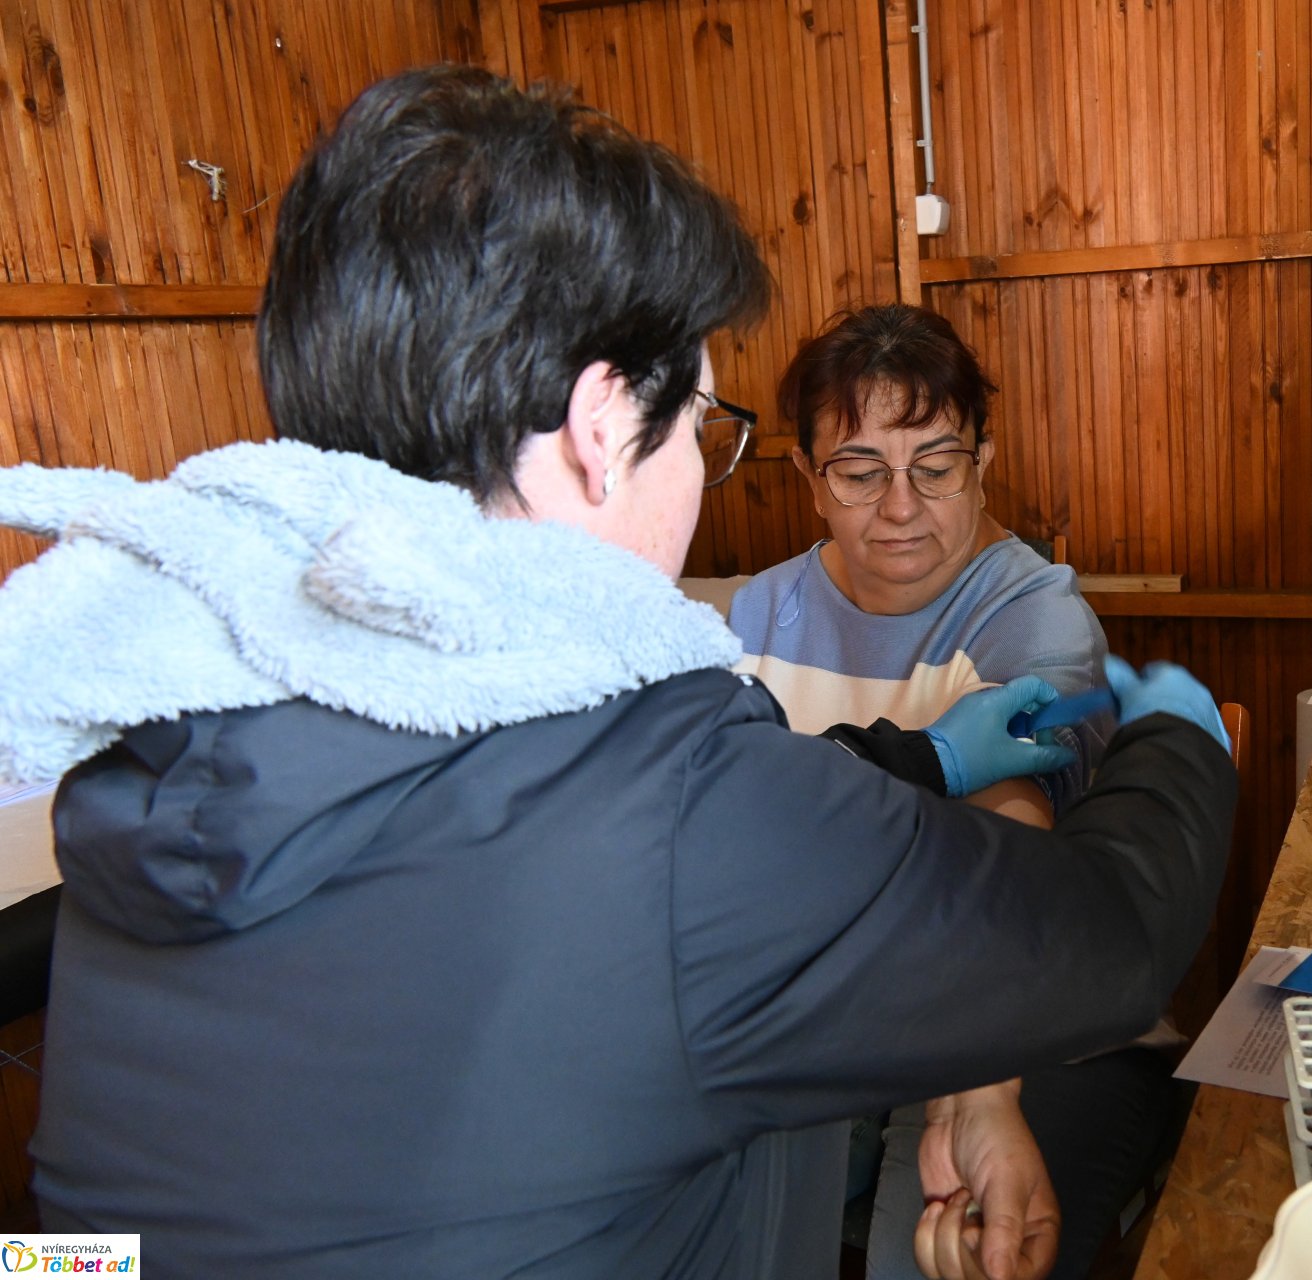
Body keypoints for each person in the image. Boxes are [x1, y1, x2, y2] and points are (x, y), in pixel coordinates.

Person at [0, 66, 1237, 1280]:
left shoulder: (151, 757)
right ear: (604, 429)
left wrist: (929, 755)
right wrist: (1181, 731)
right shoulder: (675, 807)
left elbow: (74, 1256)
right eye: (702, 421)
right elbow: (1109, 937)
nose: (703, 469)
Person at [729, 305, 1196, 1280]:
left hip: (1029, 1019)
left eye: (934, 466)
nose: (900, 506)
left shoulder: (1032, 617)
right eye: (860, 472)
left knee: (942, 1249)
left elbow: (1011, 840)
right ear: (811, 480)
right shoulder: (751, 614)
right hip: (834, 1014)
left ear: (983, 456)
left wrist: (980, 1090)